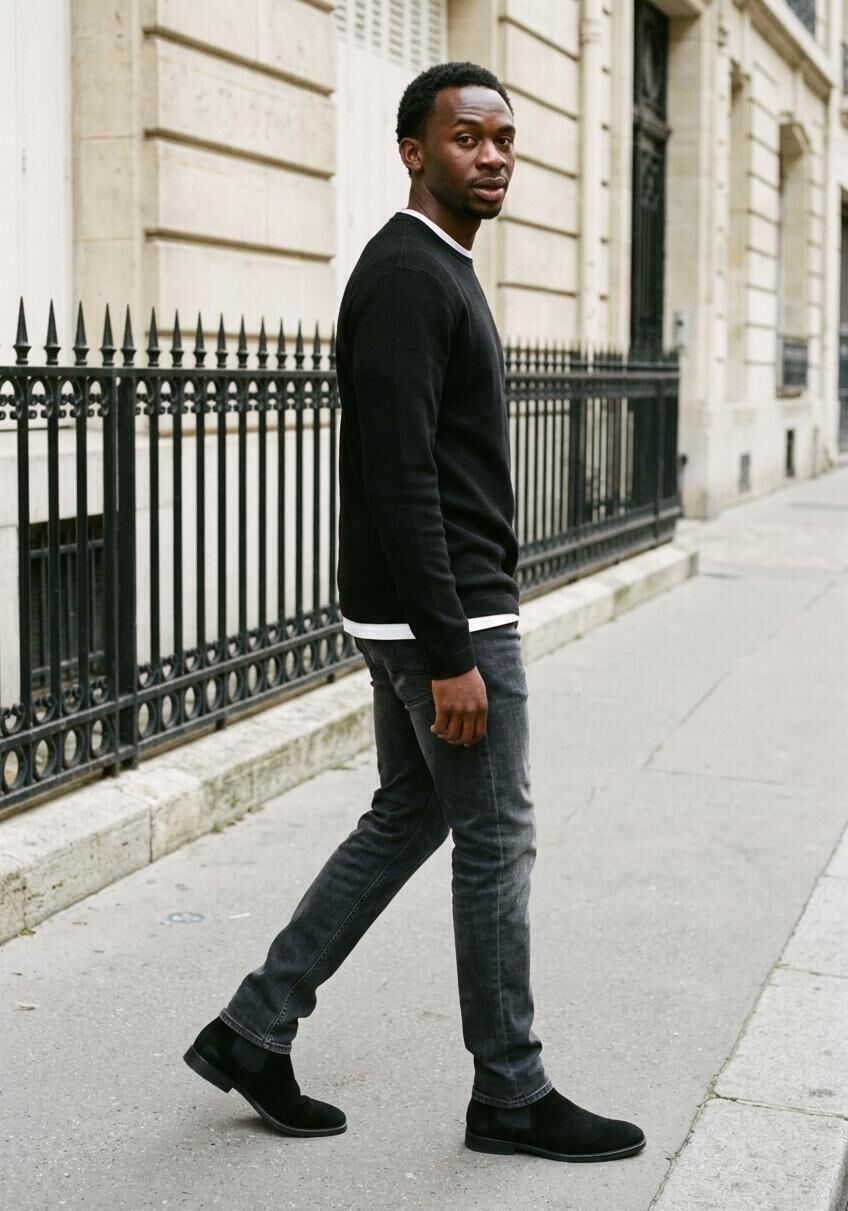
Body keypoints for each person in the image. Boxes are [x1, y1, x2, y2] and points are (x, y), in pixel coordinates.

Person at [184, 61, 645, 1164]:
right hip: (446, 622)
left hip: (424, 615)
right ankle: (510, 1089)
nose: (490, 156)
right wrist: (450, 650)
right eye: (465, 137)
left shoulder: (436, 267)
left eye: (503, 139)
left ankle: (253, 1025)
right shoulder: (406, 275)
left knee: (409, 814)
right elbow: (397, 478)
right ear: (412, 151)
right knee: (495, 838)